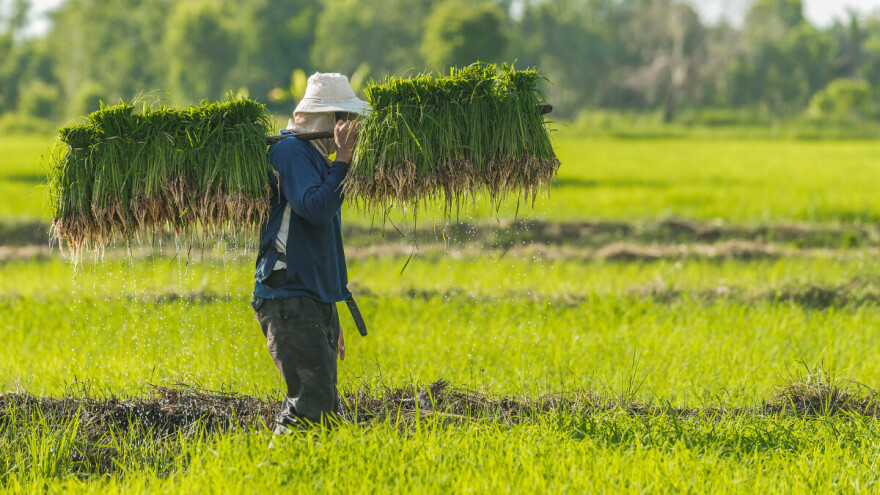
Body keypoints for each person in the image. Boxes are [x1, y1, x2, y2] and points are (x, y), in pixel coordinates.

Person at [250, 72, 369, 435]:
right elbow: (314, 207)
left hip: (308, 298)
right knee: (311, 405)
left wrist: (327, 311)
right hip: (288, 296)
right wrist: (344, 159)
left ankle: (308, 476)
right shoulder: (291, 151)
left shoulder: (318, 160)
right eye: (342, 119)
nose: (347, 128)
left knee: (324, 407)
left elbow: (321, 237)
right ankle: (276, 476)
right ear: (325, 120)